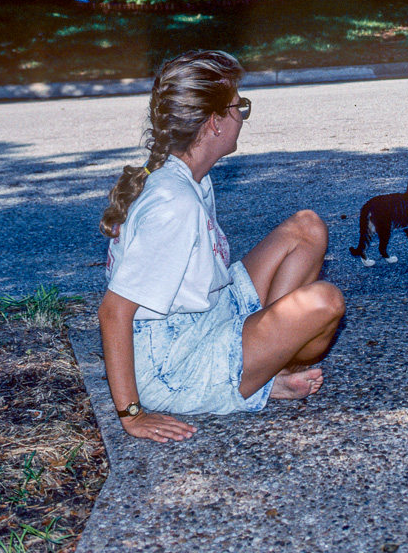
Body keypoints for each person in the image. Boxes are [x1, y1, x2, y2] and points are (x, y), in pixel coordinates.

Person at [98, 50, 345, 443]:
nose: (242, 116)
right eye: (238, 106)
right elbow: (114, 311)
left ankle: (268, 371)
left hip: (210, 315)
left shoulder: (188, 177)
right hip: (175, 365)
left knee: (307, 229)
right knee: (325, 302)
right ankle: (260, 374)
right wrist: (131, 414)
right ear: (214, 122)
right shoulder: (173, 203)